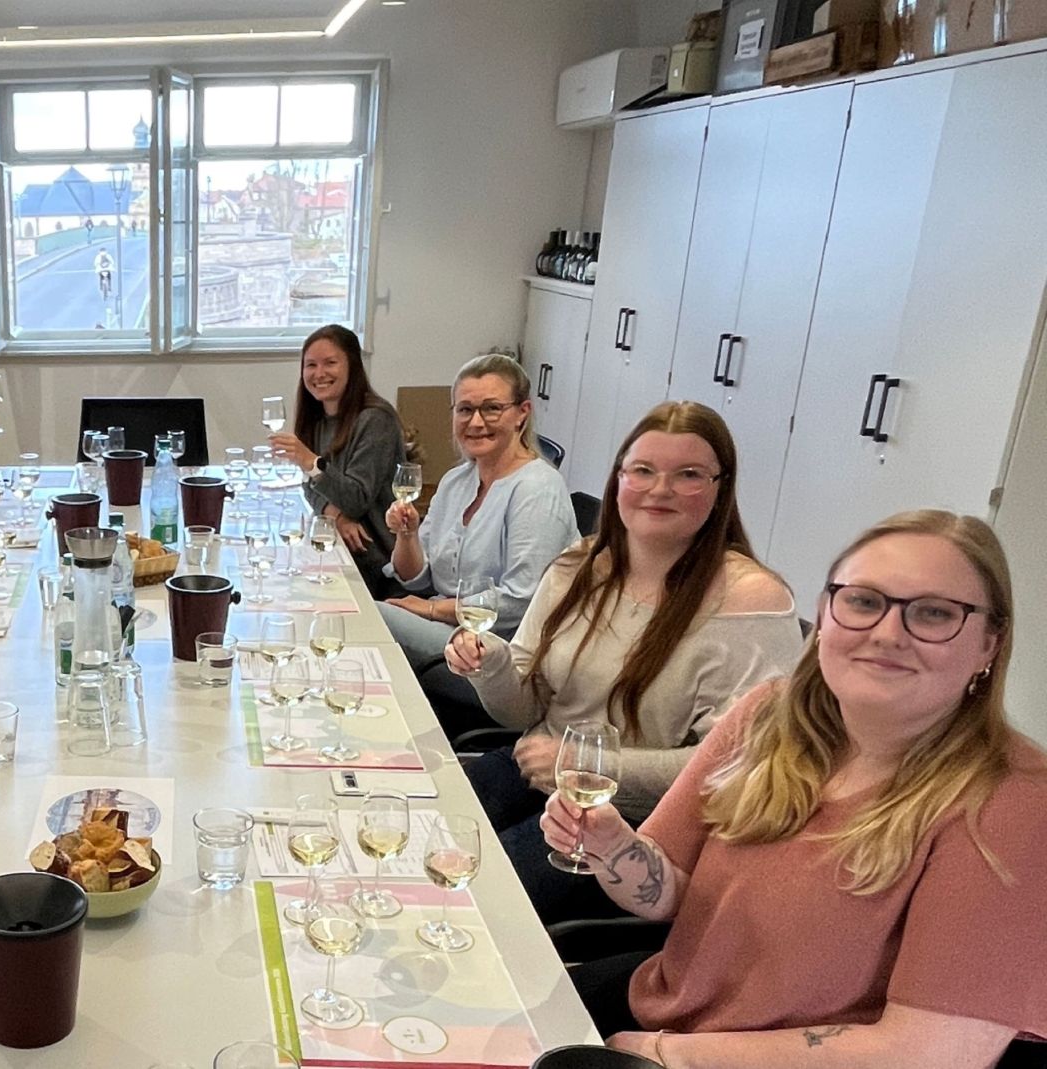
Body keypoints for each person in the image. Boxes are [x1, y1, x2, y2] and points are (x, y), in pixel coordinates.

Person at [556, 510, 1045, 1069]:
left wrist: (667, 1053)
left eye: (934, 613)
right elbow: (670, 893)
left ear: (989, 645)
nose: (887, 633)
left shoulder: (1013, 803)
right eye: (863, 601)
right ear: (825, 611)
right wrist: (613, 847)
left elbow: (928, 1052)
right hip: (666, 1008)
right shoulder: (766, 716)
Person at [445, 401, 800, 923]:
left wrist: (585, 764)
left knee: (474, 907)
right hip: (536, 771)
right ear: (618, 479)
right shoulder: (579, 566)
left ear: (721, 489)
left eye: (689, 475)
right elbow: (521, 712)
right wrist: (492, 665)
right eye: (643, 471)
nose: (660, 489)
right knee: (426, 840)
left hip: (633, 824)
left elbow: (738, 769)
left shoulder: (751, 602)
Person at [378, 353, 577, 684]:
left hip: (500, 650)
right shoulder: (456, 481)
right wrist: (407, 535)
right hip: (453, 632)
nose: (476, 422)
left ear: (522, 413)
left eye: (492, 408)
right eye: (465, 409)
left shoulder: (538, 488)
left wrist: (433, 610)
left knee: (369, 618)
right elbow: (417, 579)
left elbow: (520, 599)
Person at [268, 323, 407, 598]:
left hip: (376, 563)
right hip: (340, 549)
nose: (319, 373)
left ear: (352, 366)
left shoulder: (376, 420)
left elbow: (356, 499)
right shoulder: (318, 418)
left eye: (330, 363)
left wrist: (311, 462)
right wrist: (335, 516)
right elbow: (309, 485)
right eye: (311, 365)